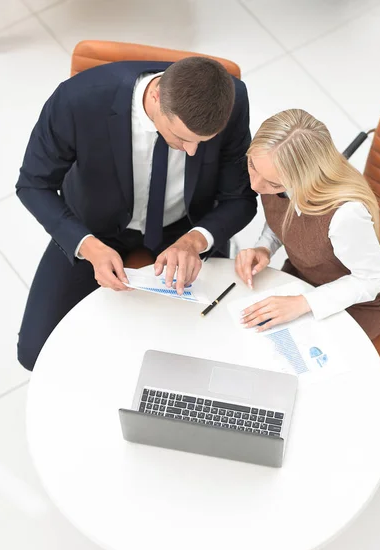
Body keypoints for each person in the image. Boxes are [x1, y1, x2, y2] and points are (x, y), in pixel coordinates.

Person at [16, 56, 257, 371]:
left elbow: (241, 199)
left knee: (201, 356)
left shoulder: (234, 99)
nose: (193, 150)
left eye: (202, 142)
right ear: (156, 97)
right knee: (35, 352)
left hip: (184, 231)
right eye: (183, 138)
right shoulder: (77, 99)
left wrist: (196, 240)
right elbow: (33, 185)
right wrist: (87, 245)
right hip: (93, 227)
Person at [235, 109, 380, 339]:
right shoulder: (271, 172)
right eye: (252, 166)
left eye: (274, 185)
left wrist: (303, 303)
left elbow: (374, 279)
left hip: (363, 299)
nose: (255, 186)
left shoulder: (346, 214)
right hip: (305, 275)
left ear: (305, 177)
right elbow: (283, 215)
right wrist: (264, 246)